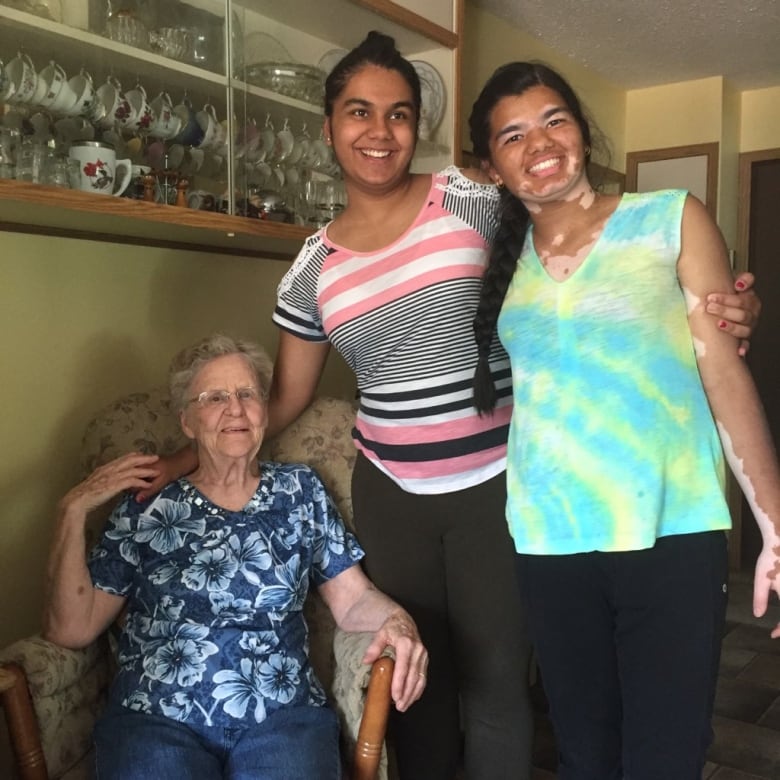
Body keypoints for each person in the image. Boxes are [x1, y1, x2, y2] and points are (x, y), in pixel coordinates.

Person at [137, 33, 761, 780]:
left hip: (497, 482)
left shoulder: (471, 201)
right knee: (415, 682)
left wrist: (709, 306)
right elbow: (290, 395)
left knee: (501, 686)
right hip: (392, 491)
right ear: (329, 126)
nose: (379, 131)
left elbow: (577, 226)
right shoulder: (312, 268)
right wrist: (185, 456)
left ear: (417, 129)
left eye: (399, 114)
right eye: (359, 112)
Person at [468, 61, 780, 780]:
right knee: (585, 752)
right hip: (550, 540)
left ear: (582, 131)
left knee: (665, 755)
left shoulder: (670, 216)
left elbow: (723, 371)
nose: (538, 143)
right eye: (511, 135)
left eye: (554, 120)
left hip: (672, 532)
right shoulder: (500, 263)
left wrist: (773, 525)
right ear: (491, 166)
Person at [42, 333, 427, 780]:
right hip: (156, 718)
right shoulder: (148, 506)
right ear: (187, 421)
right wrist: (70, 512)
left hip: (282, 719)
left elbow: (354, 598)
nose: (235, 408)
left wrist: (399, 621)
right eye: (214, 397)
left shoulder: (299, 491)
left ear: (265, 410)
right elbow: (71, 628)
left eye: (248, 394)